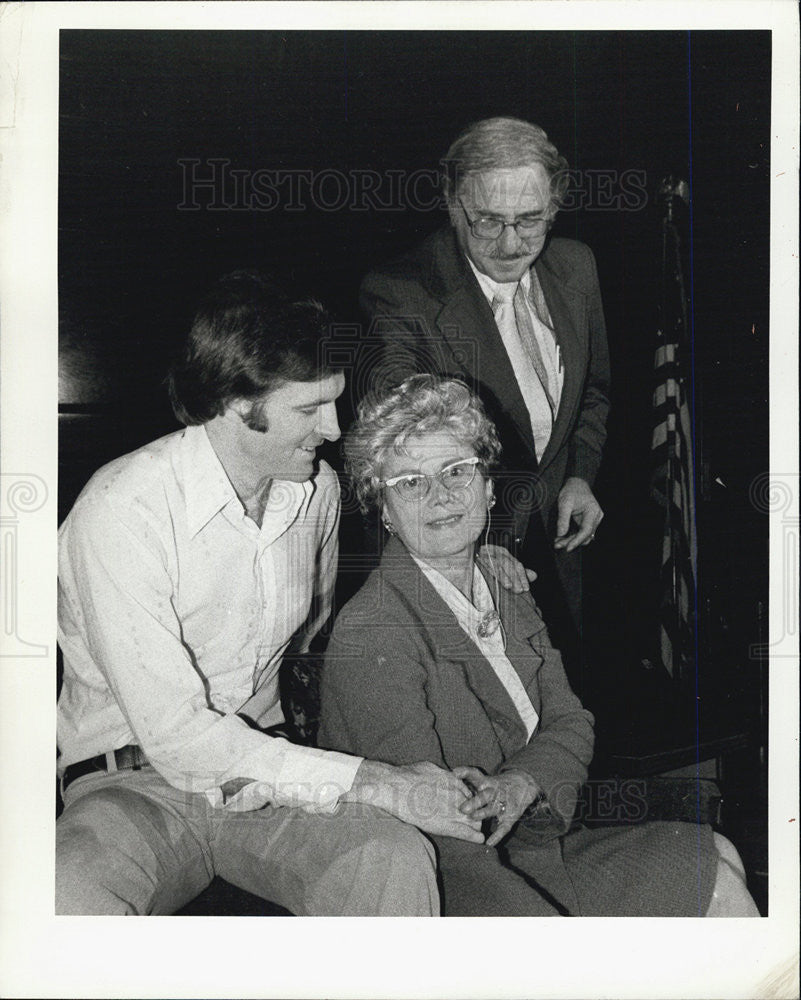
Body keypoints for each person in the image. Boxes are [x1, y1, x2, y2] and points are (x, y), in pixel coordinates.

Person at [56, 271, 493, 916]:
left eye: (335, 402)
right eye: (310, 409)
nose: (336, 429)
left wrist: (480, 562)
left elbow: (325, 619)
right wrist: (379, 783)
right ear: (236, 405)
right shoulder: (122, 511)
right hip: (134, 785)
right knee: (66, 896)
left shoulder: (316, 492)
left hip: (269, 779)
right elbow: (177, 738)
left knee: (391, 859)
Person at [319, 375, 759, 917]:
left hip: (536, 837)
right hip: (456, 881)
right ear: (382, 508)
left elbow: (572, 721)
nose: (440, 496)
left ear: (488, 486)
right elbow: (429, 825)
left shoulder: (504, 585)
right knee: (718, 893)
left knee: (720, 856)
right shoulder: (373, 629)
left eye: (457, 471)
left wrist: (524, 781)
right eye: (410, 482)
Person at [360, 117, 610, 667]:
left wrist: (580, 475)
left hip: (558, 536)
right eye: (488, 222)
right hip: (463, 549)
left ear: (555, 208)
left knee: (565, 687)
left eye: (530, 222)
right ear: (454, 205)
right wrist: (473, 540)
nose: (509, 243)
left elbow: (593, 390)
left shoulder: (576, 267)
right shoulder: (402, 294)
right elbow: (400, 445)